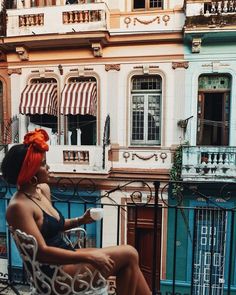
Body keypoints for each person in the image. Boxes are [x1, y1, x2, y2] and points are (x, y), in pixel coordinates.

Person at [2, 129, 151, 295]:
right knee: (129, 254)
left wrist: (81, 220)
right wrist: (89, 257)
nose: (48, 167)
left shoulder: (42, 190)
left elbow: (53, 226)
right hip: (55, 275)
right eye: (43, 164)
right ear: (30, 173)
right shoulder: (19, 207)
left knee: (130, 263)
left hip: (67, 258)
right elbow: (42, 252)